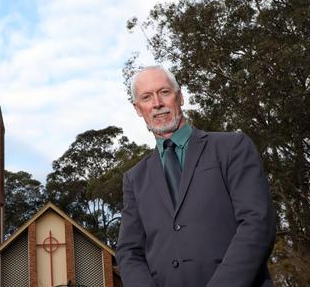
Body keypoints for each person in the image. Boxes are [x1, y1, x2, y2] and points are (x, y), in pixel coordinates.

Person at [116, 65, 276, 287]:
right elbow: (129, 252)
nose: (157, 104)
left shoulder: (232, 147)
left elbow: (257, 223)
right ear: (138, 108)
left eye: (164, 92)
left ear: (180, 97)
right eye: (146, 97)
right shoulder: (134, 179)